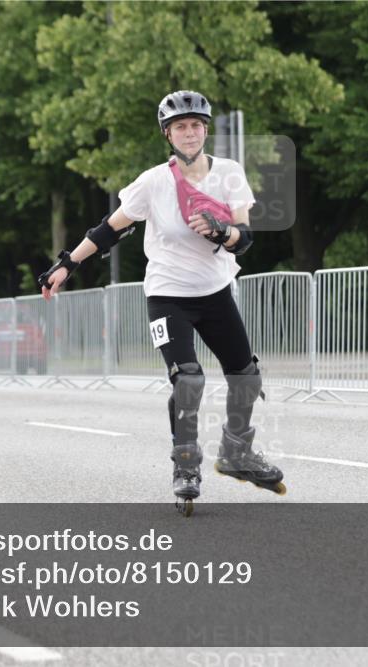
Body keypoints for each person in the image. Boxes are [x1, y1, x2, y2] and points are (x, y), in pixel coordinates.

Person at [38, 90, 285, 515]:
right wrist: (67, 264)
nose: (189, 133)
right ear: (168, 135)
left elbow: (245, 239)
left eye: (196, 126)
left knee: (246, 376)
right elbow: (109, 230)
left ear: (205, 131)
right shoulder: (153, 181)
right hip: (168, 296)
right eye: (180, 127)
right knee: (189, 379)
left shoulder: (228, 174)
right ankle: (186, 464)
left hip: (214, 292)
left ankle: (236, 452)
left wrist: (220, 232)